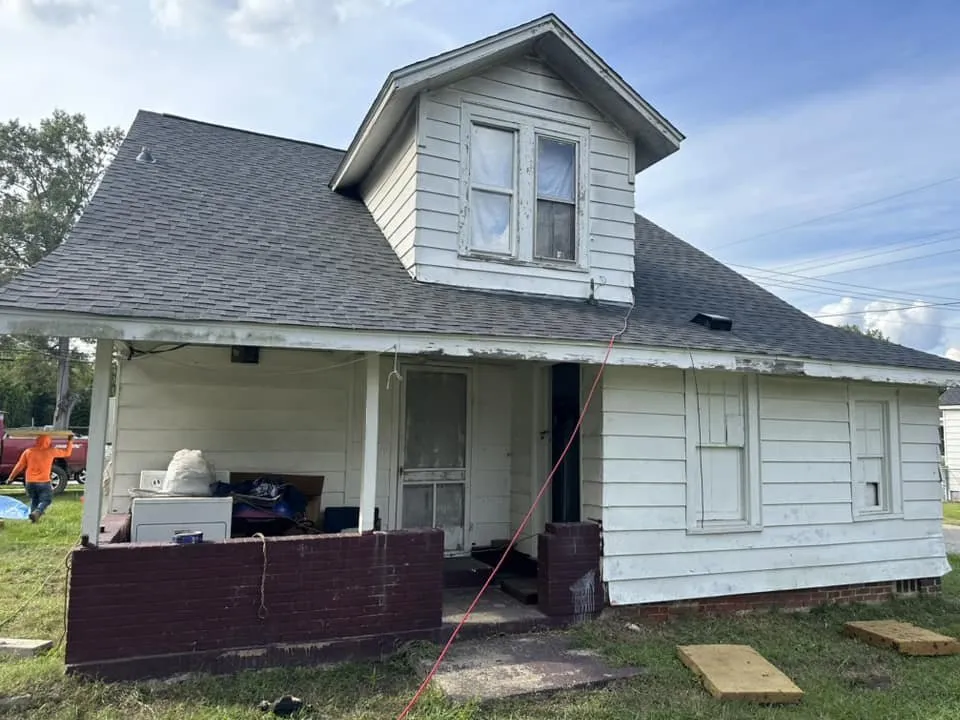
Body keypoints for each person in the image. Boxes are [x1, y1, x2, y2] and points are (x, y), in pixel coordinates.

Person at [5, 433, 74, 523]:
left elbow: (19, 466)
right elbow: (67, 453)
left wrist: (10, 478)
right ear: (48, 442)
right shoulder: (51, 451)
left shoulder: (28, 451)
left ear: (37, 442)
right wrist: (70, 441)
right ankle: (38, 511)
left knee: (34, 499)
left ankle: (33, 520)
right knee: (46, 500)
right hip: (43, 481)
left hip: (29, 482)